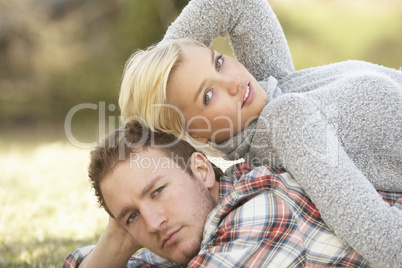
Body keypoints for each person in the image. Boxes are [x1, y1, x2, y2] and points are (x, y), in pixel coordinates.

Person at [117, 0, 402, 267]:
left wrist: (164, 59)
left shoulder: (271, 87)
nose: (232, 82)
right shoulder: (286, 124)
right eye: (207, 96)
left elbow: (236, 3)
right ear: (195, 137)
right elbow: (389, 246)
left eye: (218, 62)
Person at [63, 121, 402, 267]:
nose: (152, 223)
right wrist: (118, 239)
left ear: (201, 169)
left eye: (158, 191)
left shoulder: (261, 206)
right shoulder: (199, 229)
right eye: (132, 216)